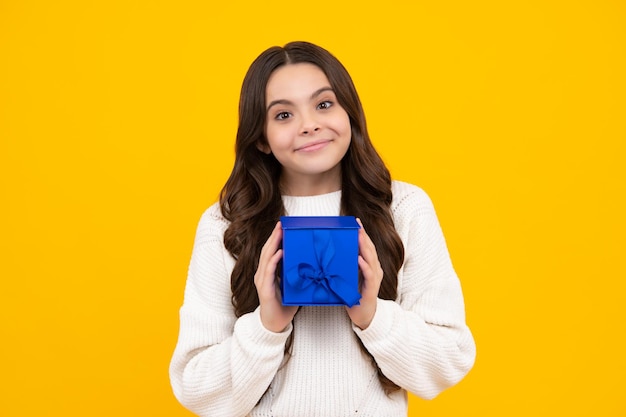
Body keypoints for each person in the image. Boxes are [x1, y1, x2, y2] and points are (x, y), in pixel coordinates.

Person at [169, 41, 476, 417]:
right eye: (283, 115)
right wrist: (268, 326)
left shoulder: (403, 209)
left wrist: (372, 315)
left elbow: (449, 360)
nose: (309, 124)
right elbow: (196, 389)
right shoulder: (226, 224)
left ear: (350, 113)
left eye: (324, 104)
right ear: (261, 137)